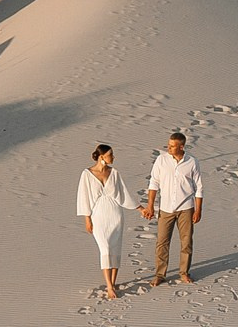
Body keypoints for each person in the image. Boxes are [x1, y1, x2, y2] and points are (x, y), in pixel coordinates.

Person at [141, 129, 204, 285]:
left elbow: (199, 188)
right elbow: (153, 183)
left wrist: (198, 210)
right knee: (162, 242)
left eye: (172, 146)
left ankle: (184, 272)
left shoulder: (192, 162)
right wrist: (150, 206)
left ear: (181, 147)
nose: (169, 148)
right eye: (168, 145)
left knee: (186, 241)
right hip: (166, 208)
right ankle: (160, 274)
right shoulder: (161, 160)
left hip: (186, 207)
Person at [75, 143, 135, 300]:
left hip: (116, 215)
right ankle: (108, 285)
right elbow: (84, 198)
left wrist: (140, 208)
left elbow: (124, 195)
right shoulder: (87, 174)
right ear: (102, 157)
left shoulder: (114, 173)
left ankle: (112, 283)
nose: (113, 157)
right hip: (98, 217)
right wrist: (87, 219)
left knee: (115, 249)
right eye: (110, 155)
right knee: (106, 249)